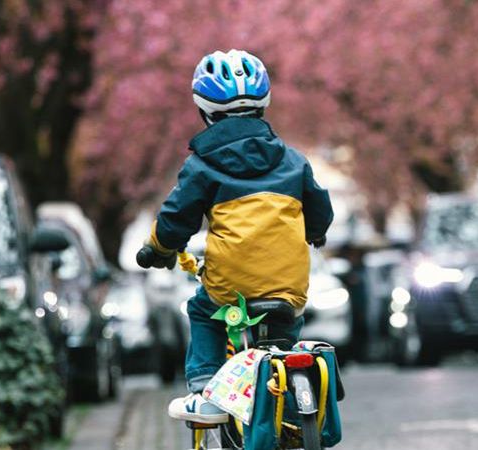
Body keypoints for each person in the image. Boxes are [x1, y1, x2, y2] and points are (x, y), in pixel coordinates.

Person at [136, 49, 334, 424]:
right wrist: (316, 233)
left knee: (202, 310)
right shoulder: (293, 160)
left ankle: (205, 388)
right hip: (287, 285)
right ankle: (288, 388)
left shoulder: (202, 166)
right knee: (285, 327)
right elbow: (320, 207)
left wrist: (159, 249)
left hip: (231, 286)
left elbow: (177, 218)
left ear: (205, 110)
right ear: (263, 106)